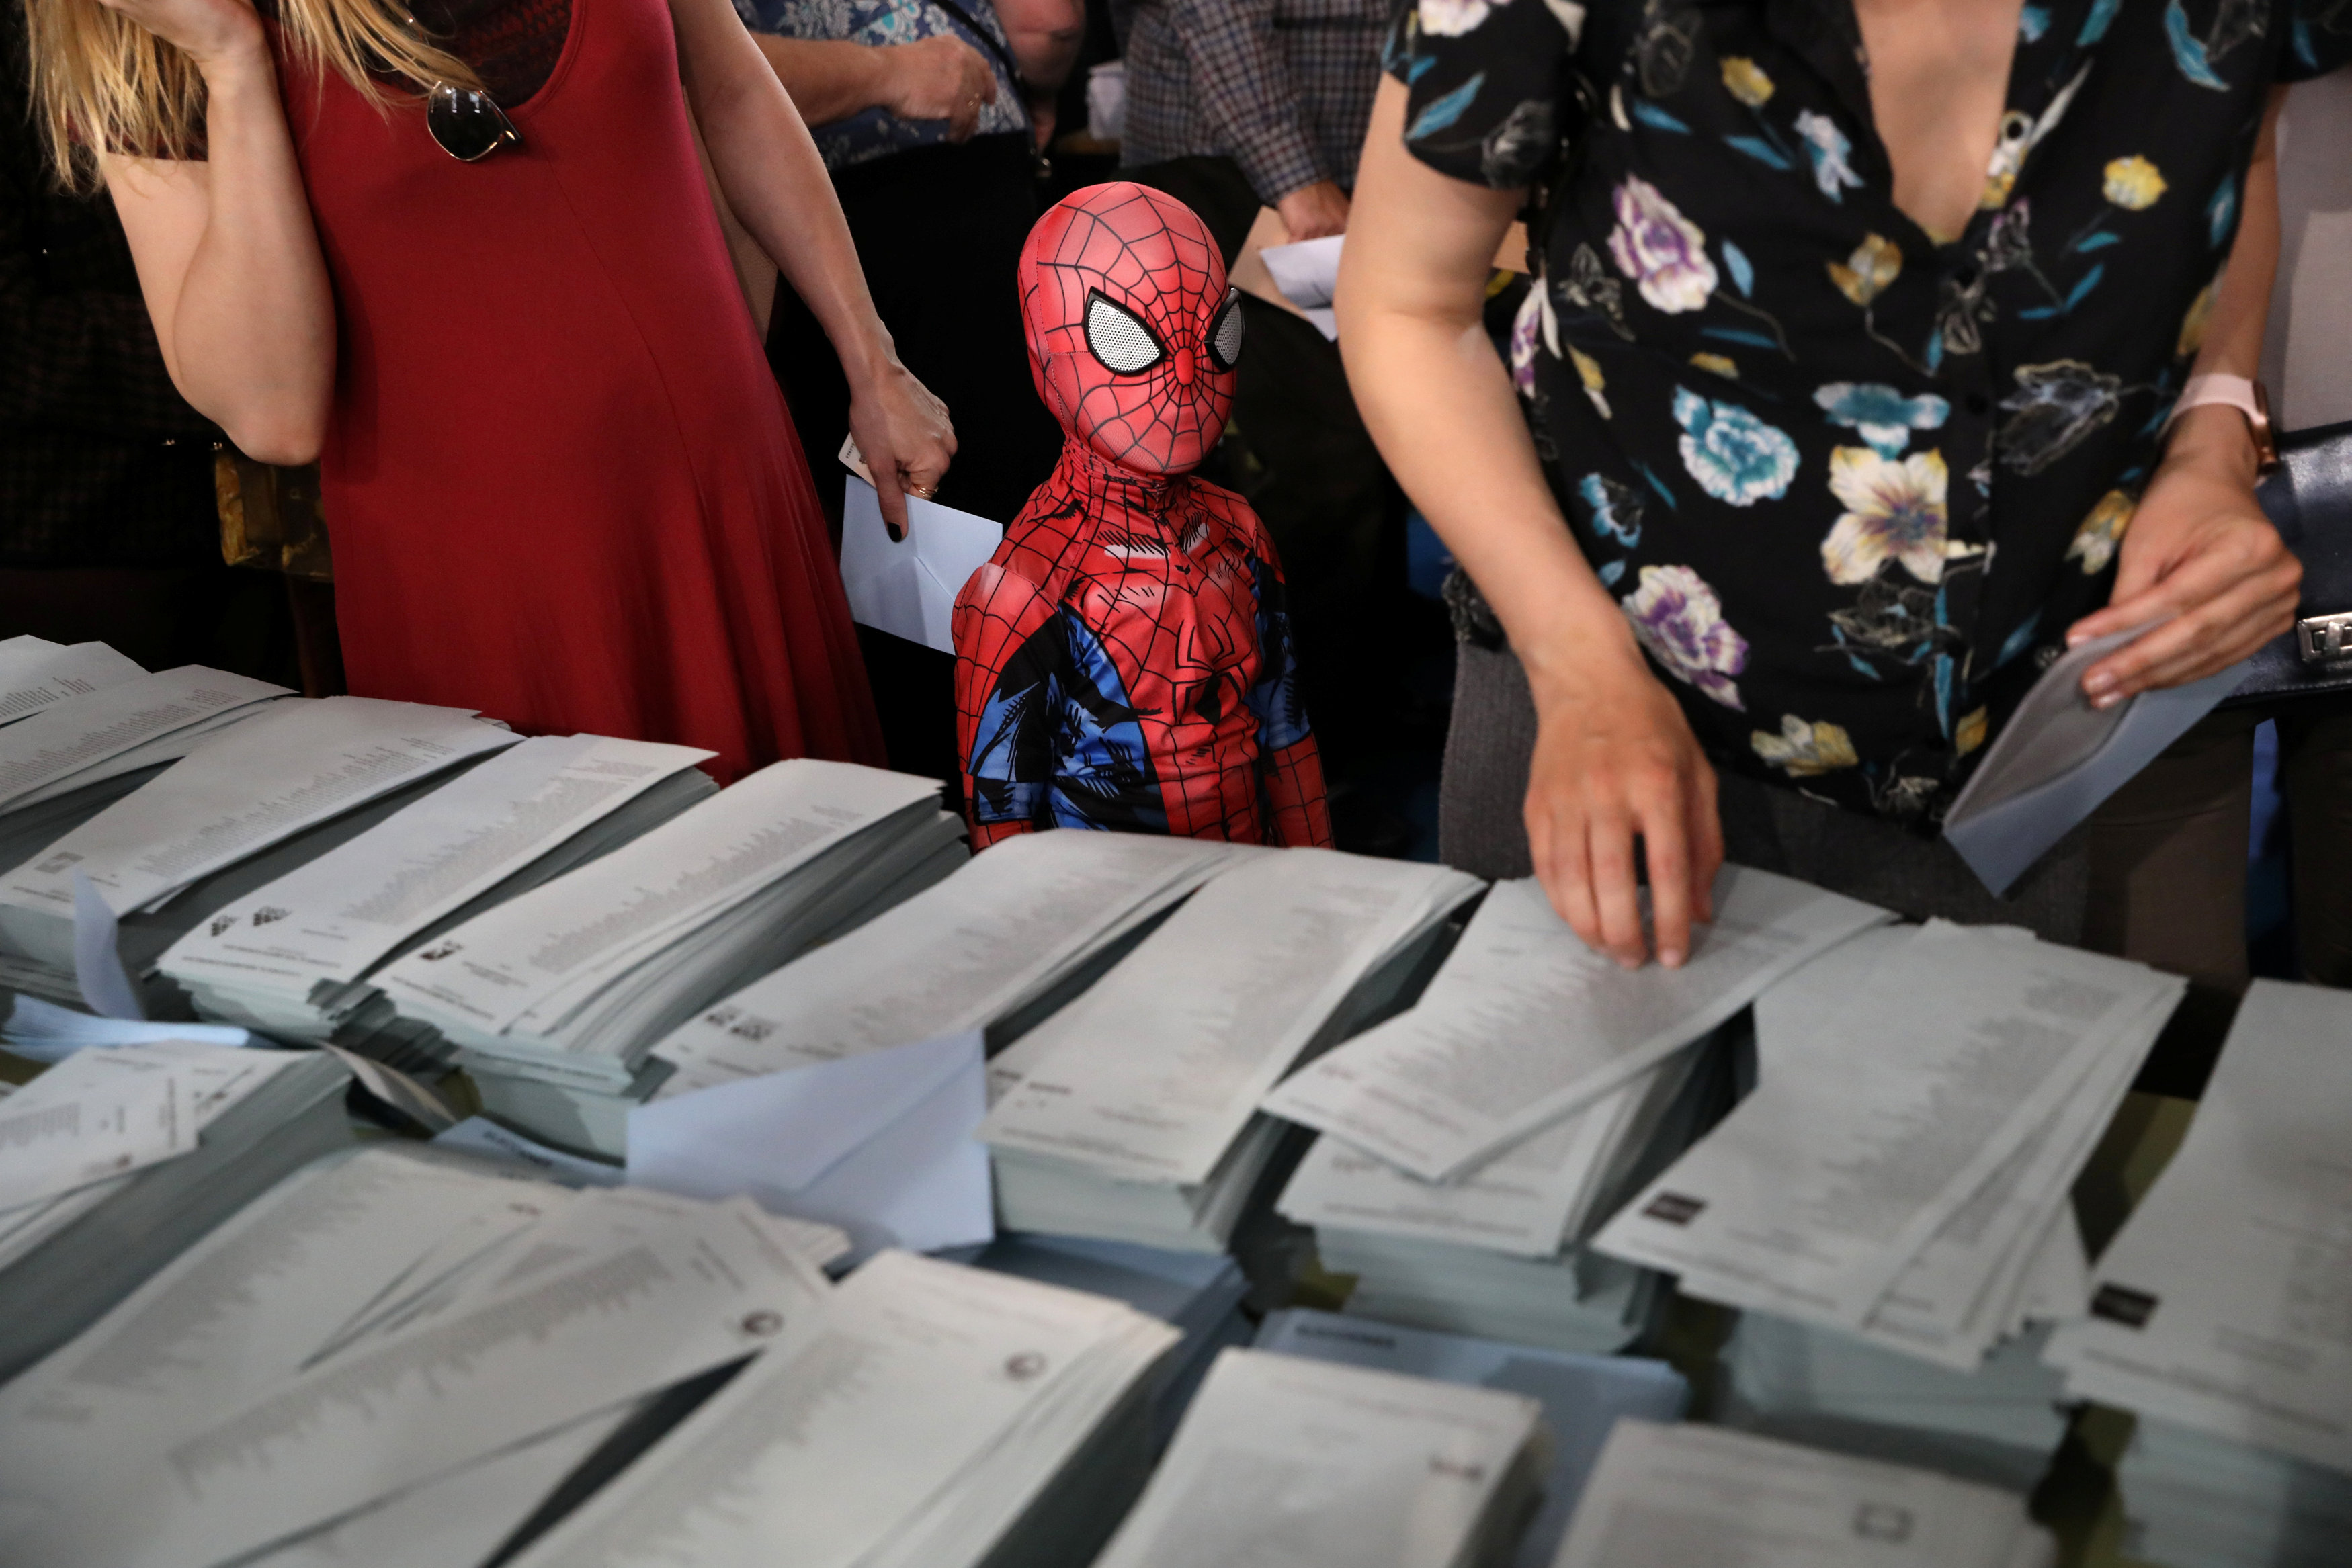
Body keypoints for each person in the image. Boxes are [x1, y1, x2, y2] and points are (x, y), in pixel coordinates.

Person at [1338, 0, 2351, 993]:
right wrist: (1577, 663)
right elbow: (1408, 304)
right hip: (1615, 719)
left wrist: (2210, 438)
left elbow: (2238, 151)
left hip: (2015, 748)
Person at [28, 0, 956, 781]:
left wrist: (873, 363)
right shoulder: (151, 37)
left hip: (730, 497)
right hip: (484, 583)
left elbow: (737, 91)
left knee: (825, 907)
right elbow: (274, 412)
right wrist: (231, 61)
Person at [954, 182, 1333, 848]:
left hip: (1255, 890)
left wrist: (1318, 880)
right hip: (1107, 906)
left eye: (1216, 333)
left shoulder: (1238, 532)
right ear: (1046, 357)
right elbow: (1001, 819)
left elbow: (1285, 729)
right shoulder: (1027, 585)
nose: (1187, 373)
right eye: (1126, 342)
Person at [1117, 0, 1406, 829]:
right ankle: (1303, 768)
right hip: (1247, 172)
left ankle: (1360, 722)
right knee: (1321, 464)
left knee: (1381, 437)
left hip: (1360, 175)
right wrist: (1293, 176)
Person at [744, 0, 1081, 526]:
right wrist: (891, 74)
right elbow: (703, 79)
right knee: (934, 515)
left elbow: (1049, 25)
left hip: (979, 213)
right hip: (858, 227)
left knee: (1024, 501)